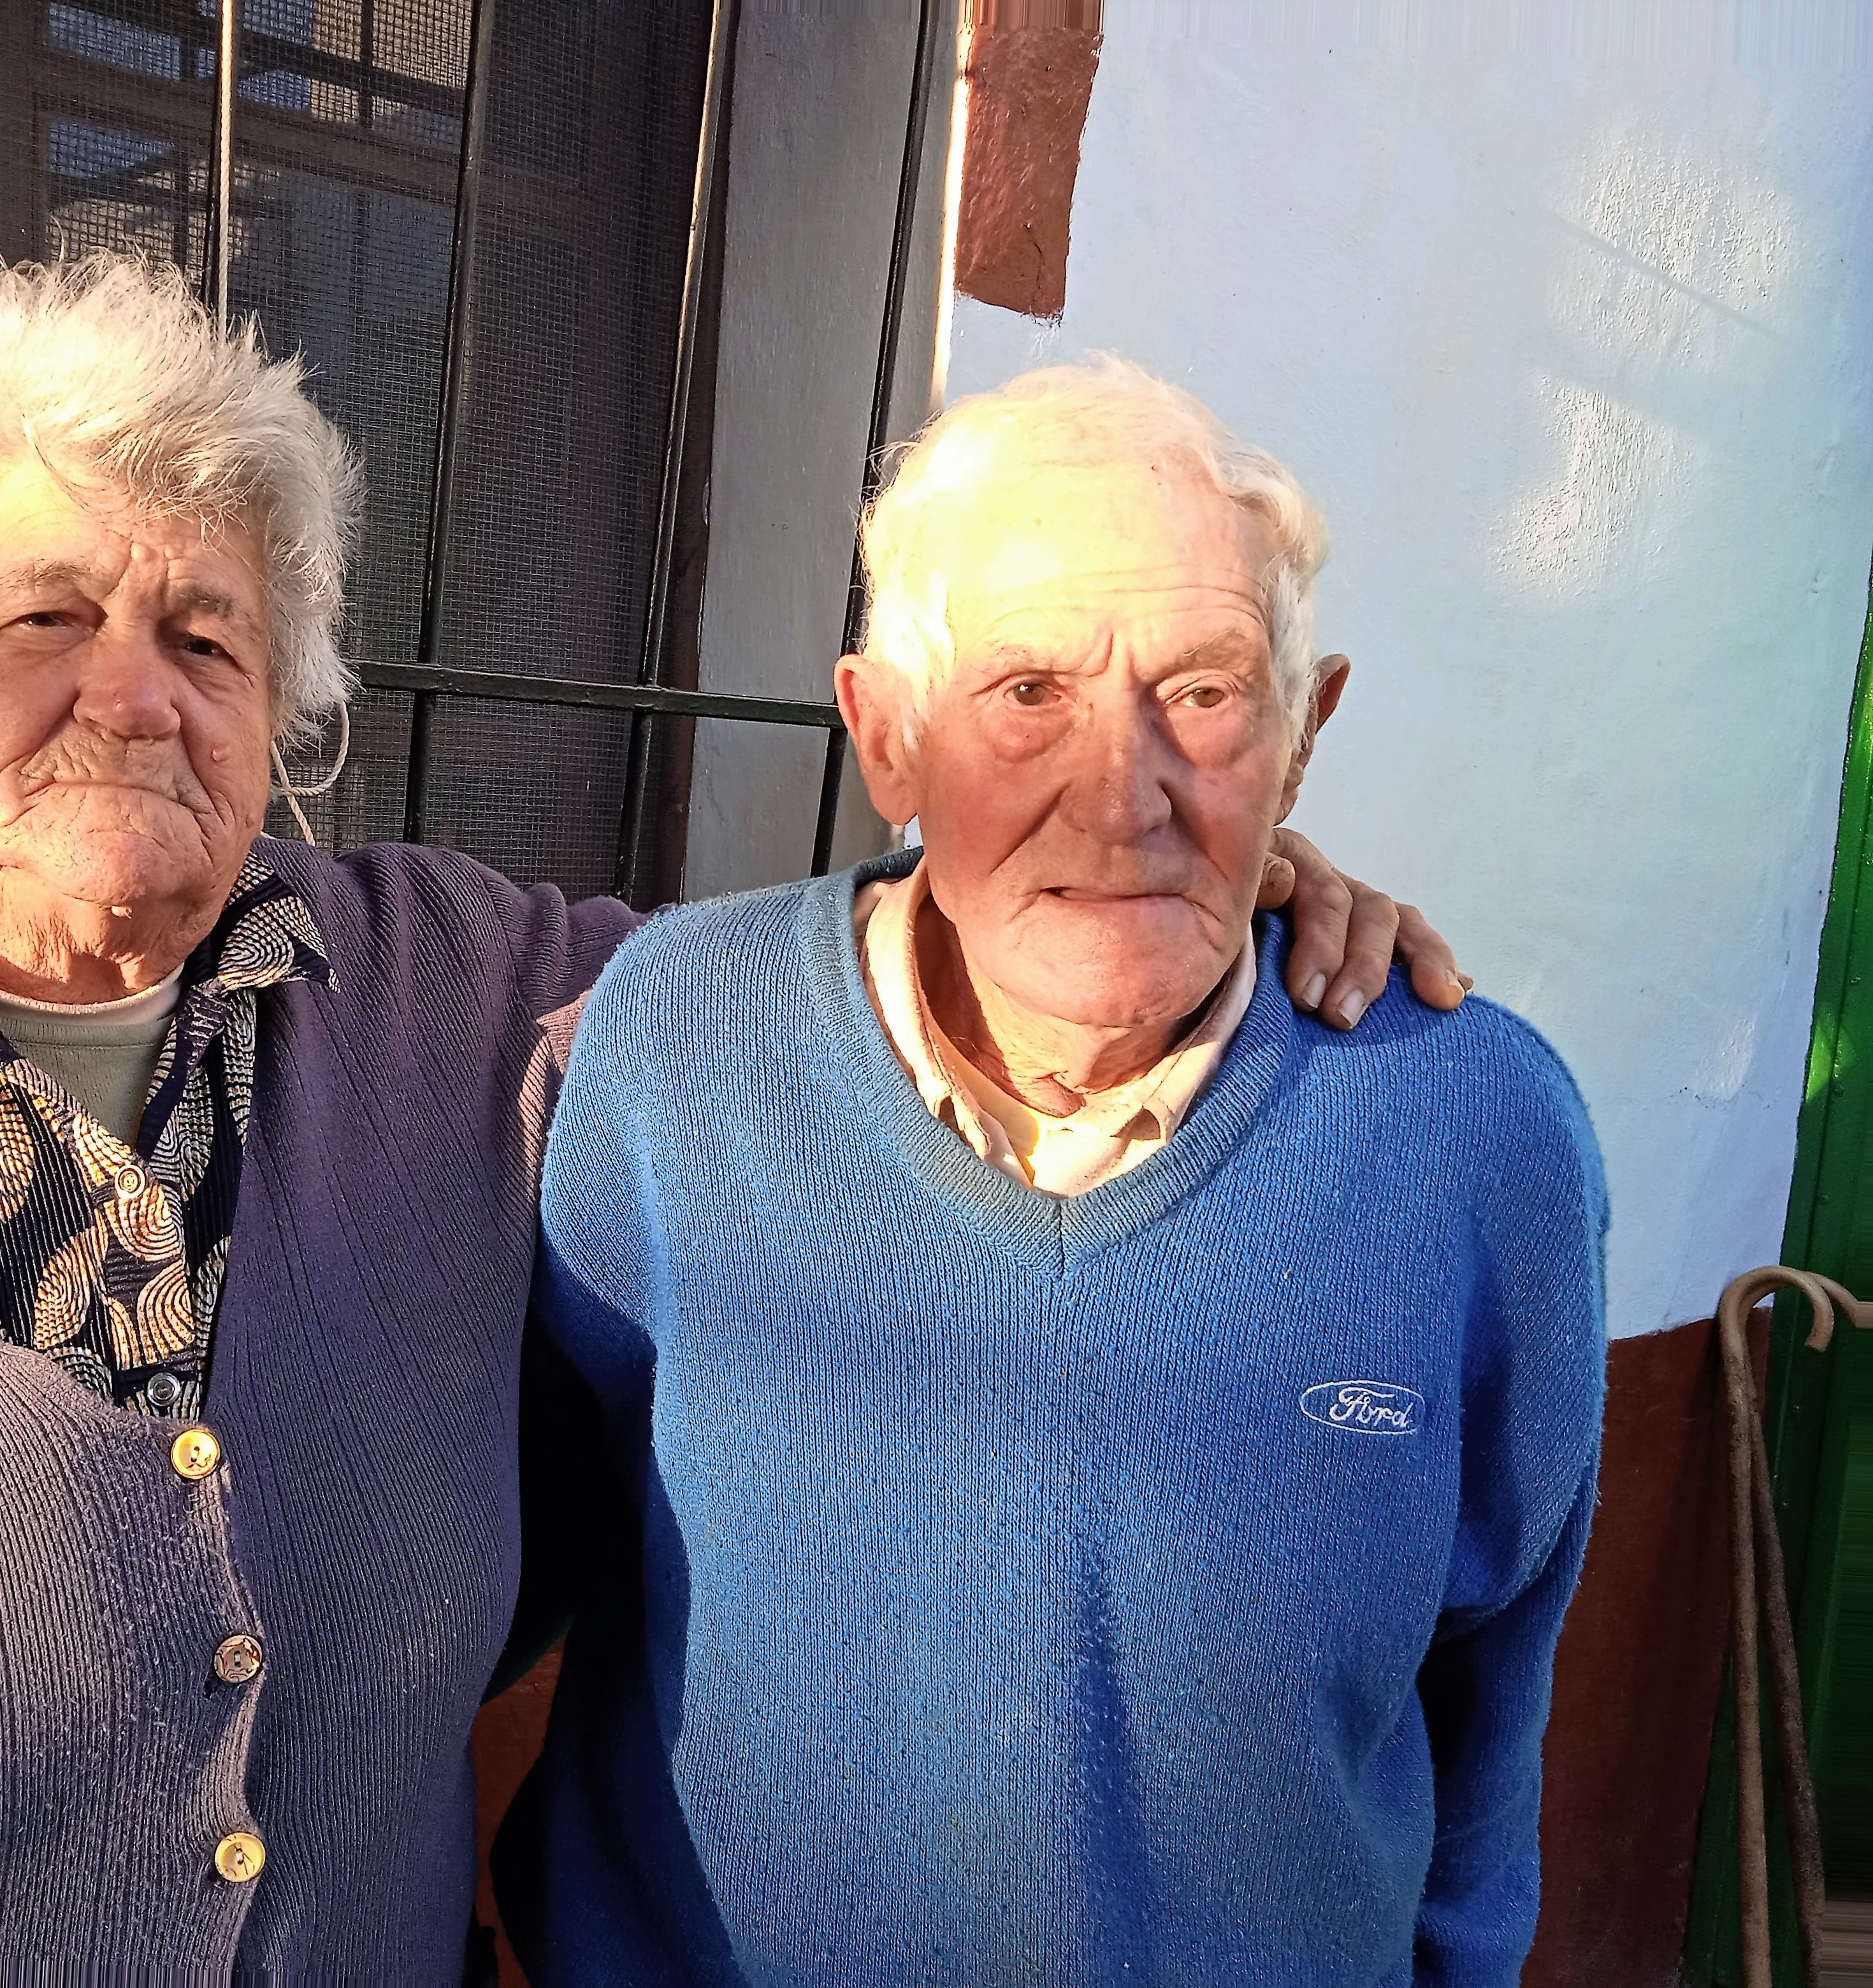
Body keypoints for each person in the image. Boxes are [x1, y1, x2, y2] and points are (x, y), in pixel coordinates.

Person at [0, 262, 1456, 1977]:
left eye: (208, 636)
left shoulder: (472, 998)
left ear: (283, 711)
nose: (133, 685)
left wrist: (1162, 866)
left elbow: (854, 993)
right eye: (49, 617)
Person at [498, 358, 1604, 1988]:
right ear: (886, 739)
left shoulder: (1478, 1129)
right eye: (1028, 694)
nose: (1123, 790)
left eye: (1207, 693)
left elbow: (1493, 1690)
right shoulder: (673, 1048)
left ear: (1302, 741)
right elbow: (538, 1534)